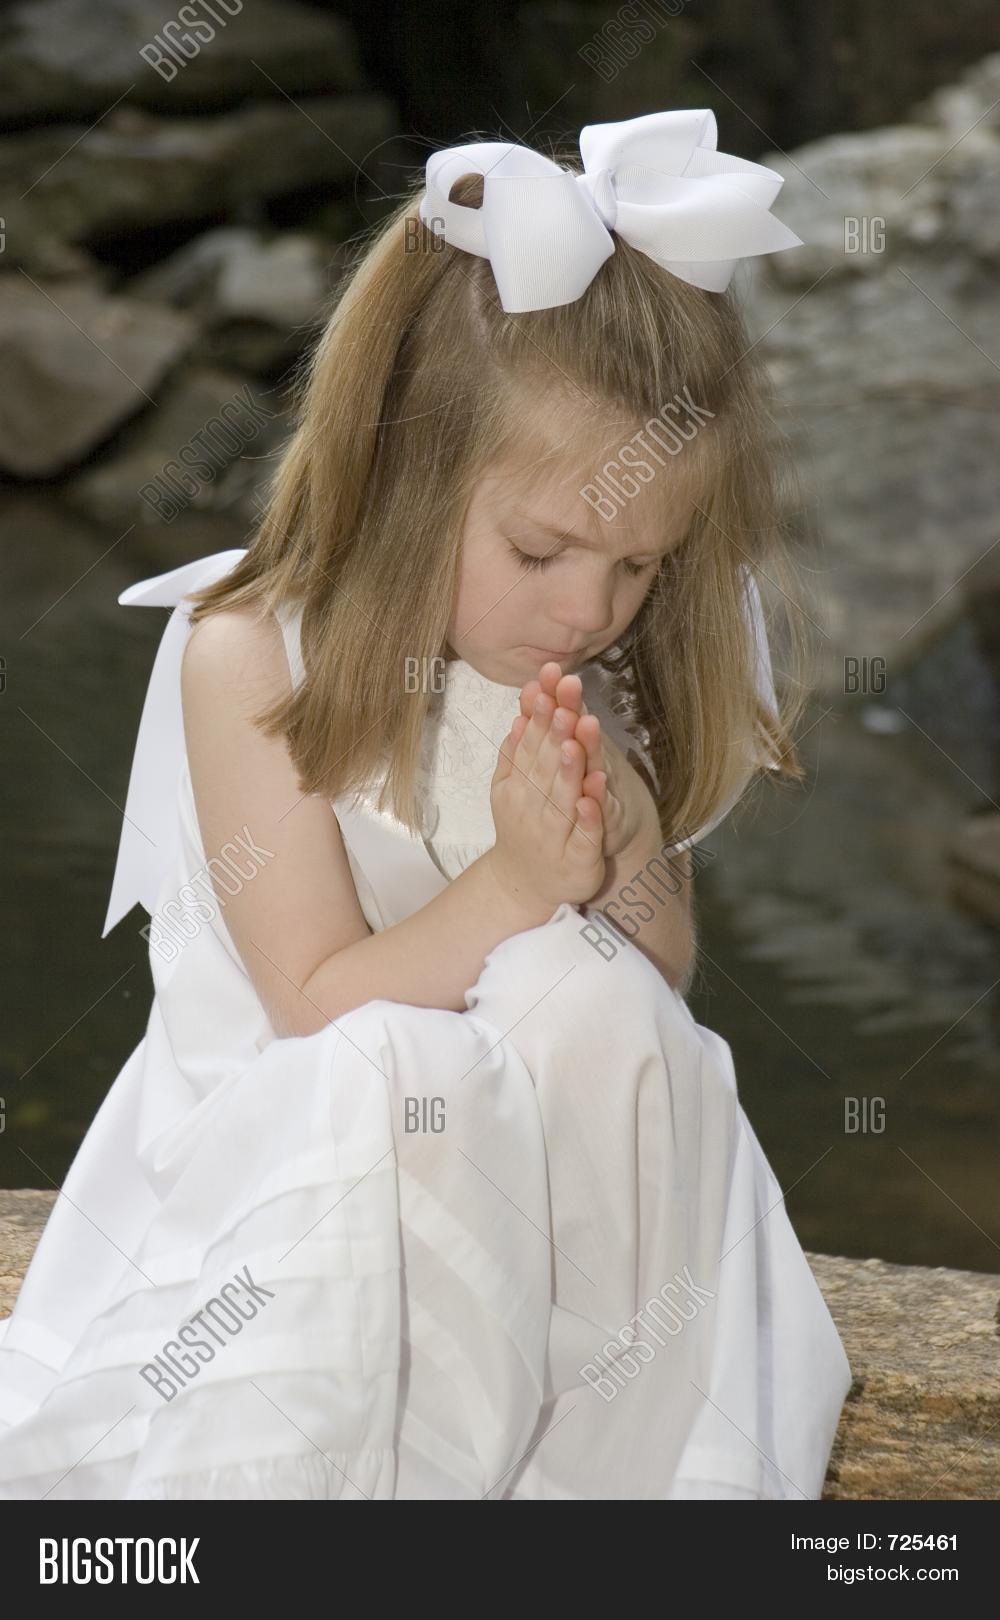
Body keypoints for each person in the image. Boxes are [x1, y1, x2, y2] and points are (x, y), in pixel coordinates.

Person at [0, 109, 851, 1499]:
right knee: (409, 1069)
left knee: (603, 999)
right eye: (544, 549)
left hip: (537, 1194)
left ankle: (590, 1456)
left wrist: (620, 842)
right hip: (305, 1150)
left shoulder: (594, 671)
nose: (590, 608)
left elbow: (658, 981)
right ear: (405, 471)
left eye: (640, 564)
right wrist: (514, 887)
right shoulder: (250, 656)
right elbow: (315, 1008)